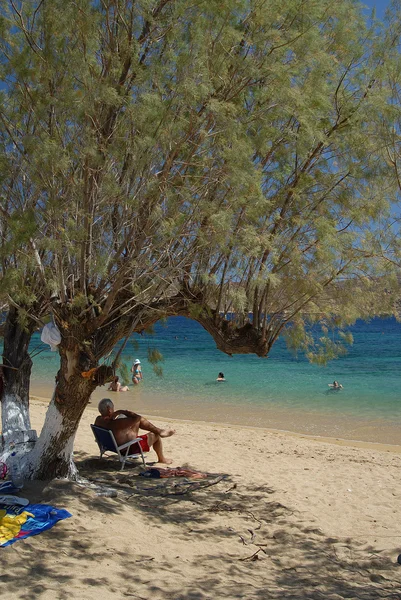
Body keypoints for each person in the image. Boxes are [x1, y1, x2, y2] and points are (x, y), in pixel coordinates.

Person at [95, 398, 175, 464]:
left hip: (112, 446)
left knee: (135, 422)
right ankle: (162, 458)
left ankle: (159, 431)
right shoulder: (117, 423)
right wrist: (121, 411)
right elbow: (137, 417)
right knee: (155, 435)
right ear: (109, 409)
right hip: (127, 450)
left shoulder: (98, 420)